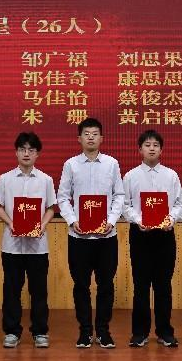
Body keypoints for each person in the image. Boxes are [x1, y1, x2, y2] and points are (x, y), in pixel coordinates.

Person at [57, 117, 125, 349]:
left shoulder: (112, 164)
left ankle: (103, 331)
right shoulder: (70, 165)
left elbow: (119, 196)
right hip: (79, 237)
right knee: (81, 285)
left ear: (102, 138)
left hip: (107, 237)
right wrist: (72, 220)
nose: (91, 137)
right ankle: (85, 331)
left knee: (106, 285)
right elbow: (62, 197)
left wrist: (111, 221)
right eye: (86, 134)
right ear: (79, 138)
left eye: (95, 134)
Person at [0, 132, 57, 349]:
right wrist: (11, 223)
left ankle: (40, 332)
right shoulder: (5, 179)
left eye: (31, 150)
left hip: (38, 246)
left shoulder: (46, 180)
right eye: (22, 149)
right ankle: (12, 331)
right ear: (16, 152)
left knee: (39, 291)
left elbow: (51, 208)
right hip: (12, 245)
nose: (26, 153)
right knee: (11, 290)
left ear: (37, 153)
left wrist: (42, 225)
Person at [122, 129, 182, 349]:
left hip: (165, 236)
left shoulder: (171, 175)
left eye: (155, 145)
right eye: (147, 145)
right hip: (140, 235)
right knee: (140, 286)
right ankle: (139, 333)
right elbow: (125, 205)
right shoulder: (130, 176)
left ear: (161, 150)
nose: (151, 148)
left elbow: (180, 204)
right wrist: (139, 220)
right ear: (140, 149)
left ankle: (165, 332)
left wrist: (171, 219)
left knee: (163, 286)